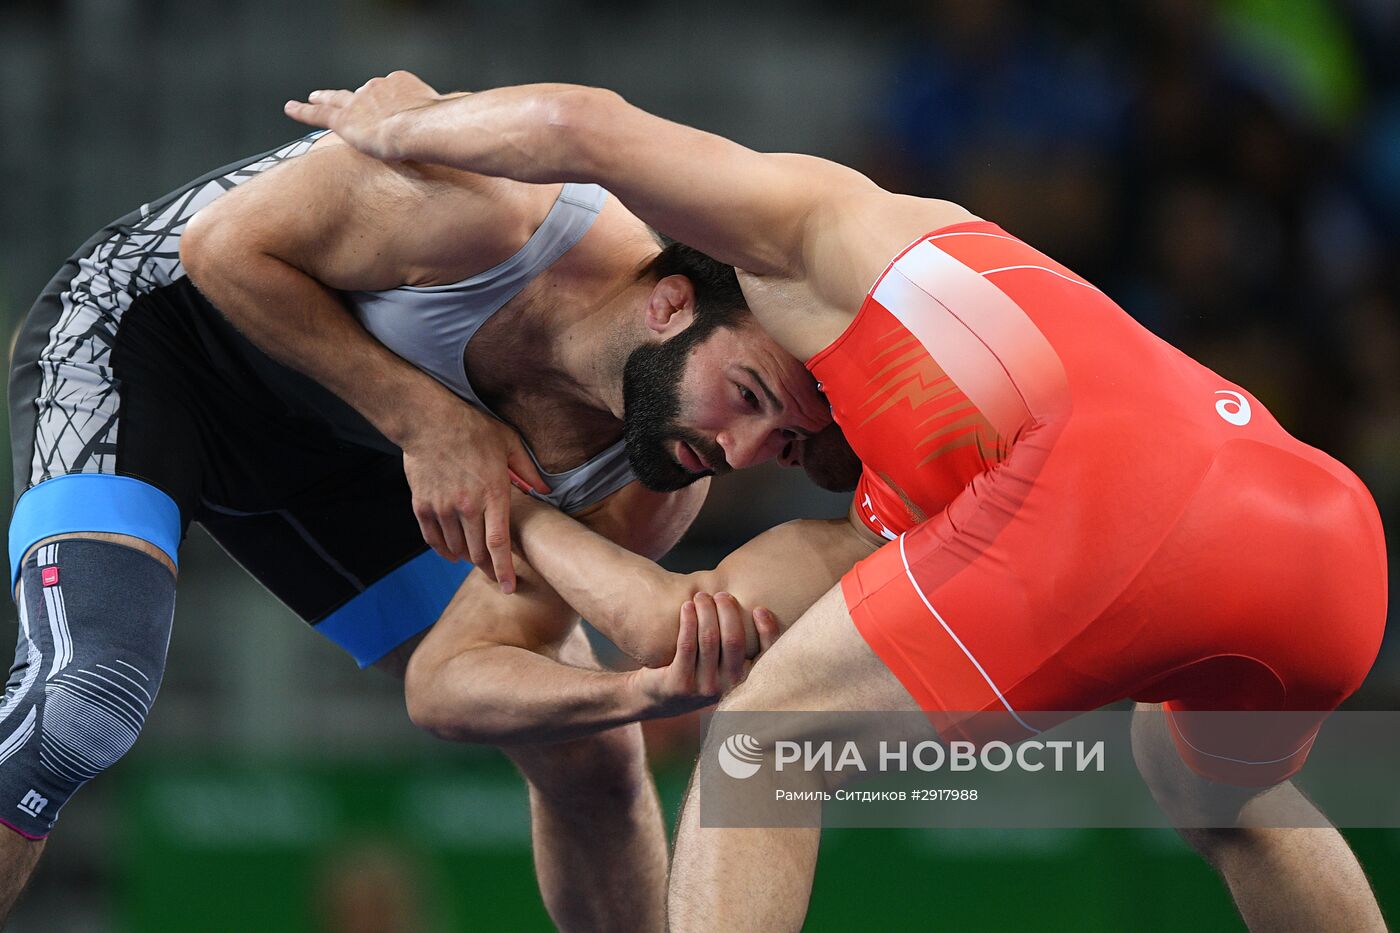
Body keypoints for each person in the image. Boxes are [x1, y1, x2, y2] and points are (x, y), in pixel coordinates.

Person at [286, 71, 1390, 931]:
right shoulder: (904, 522)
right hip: (1322, 543)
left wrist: (403, 129)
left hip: (1106, 490)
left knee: (766, 746)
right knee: (1212, 797)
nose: (762, 443)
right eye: (765, 444)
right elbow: (688, 625)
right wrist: (522, 511)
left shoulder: (808, 243)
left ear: (689, 298)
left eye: (762, 403)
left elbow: (580, 126)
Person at [0, 120, 827, 927]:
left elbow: (448, 678)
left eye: (782, 440)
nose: (739, 450)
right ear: (671, 304)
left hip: (340, 444)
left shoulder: (657, 475)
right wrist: (425, 419)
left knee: (596, 755)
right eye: (748, 395)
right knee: (85, 697)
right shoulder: (494, 211)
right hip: (148, 343)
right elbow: (217, 249)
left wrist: (634, 691)